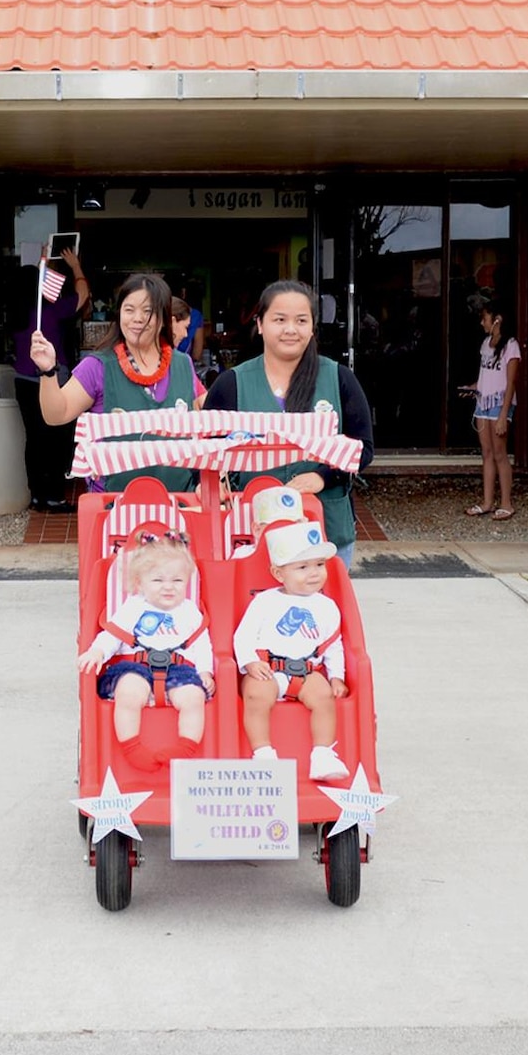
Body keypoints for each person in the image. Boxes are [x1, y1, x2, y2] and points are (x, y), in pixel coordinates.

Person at [202, 281, 374, 567]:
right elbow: (204, 450)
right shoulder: (232, 383)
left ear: (312, 327)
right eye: (279, 320)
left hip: (323, 528)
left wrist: (322, 477)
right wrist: (213, 484)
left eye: (301, 320)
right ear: (259, 324)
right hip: (249, 530)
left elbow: (363, 448)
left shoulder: (338, 378)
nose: (290, 329)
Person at [33, 273, 201, 493]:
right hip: (114, 506)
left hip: (179, 504)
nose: (137, 318)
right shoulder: (98, 366)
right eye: (129, 309)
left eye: (147, 311)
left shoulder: (182, 364)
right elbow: (56, 414)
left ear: (162, 319)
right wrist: (48, 371)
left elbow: (208, 413)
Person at [80, 536, 213, 771]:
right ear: (140, 583)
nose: (169, 586)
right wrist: (97, 651)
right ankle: (132, 748)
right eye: (158, 580)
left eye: (178, 580)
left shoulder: (190, 611)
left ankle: (186, 747)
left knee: (194, 697)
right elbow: (113, 634)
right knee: (128, 694)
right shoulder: (134, 606)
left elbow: (202, 644)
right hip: (135, 666)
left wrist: (205, 671)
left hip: (179, 669)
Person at [235, 519, 349, 782]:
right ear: (278, 573)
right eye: (302, 567)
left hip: (307, 670)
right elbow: (243, 636)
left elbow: (333, 644)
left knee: (323, 697)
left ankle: (322, 754)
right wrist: (250, 662)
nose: (314, 573)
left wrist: (336, 677)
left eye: (320, 565)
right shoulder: (265, 601)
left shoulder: (327, 606)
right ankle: (263, 753)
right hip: (268, 668)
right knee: (256, 695)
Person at [12, 247, 89, 513]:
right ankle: (55, 496)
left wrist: (44, 262)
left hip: (22, 380)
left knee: (33, 440)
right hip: (51, 378)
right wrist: (75, 266)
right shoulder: (49, 310)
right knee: (56, 438)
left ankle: (37, 496)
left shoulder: (17, 312)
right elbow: (82, 296)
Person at [464, 299, 520, 520]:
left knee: (499, 453)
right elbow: (484, 376)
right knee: (486, 453)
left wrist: (504, 414)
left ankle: (506, 502)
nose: (482, 322)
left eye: (485, 318)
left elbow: (510, 382)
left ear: (497, 319)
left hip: (499, 403)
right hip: (482, 402)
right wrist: (471, 388)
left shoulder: (511, 345)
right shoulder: (486, 344)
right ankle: (487, 501)